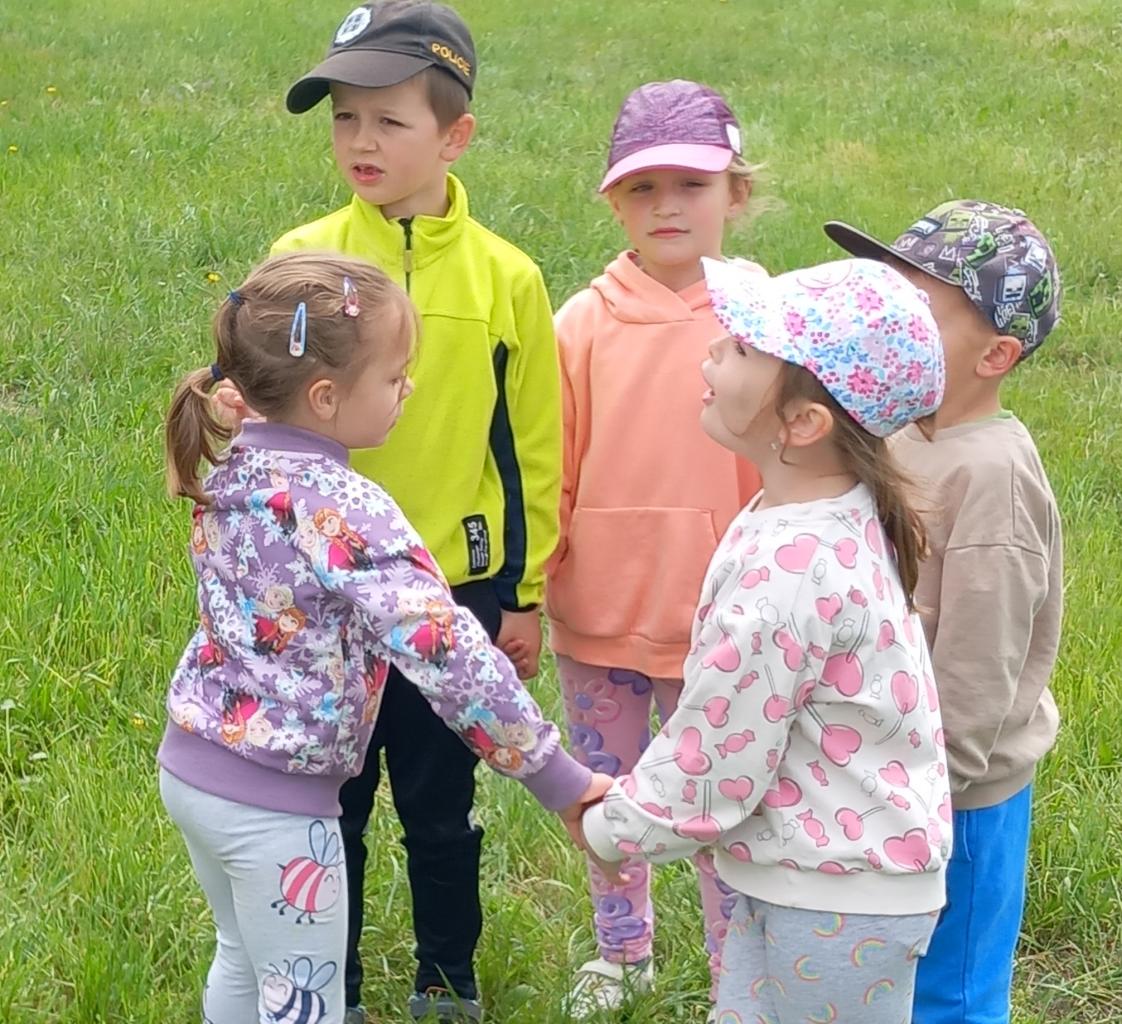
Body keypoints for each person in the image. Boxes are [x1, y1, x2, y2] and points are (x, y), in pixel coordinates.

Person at [160, 251, 609, 1024]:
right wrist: (557, 777)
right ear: (326, 397)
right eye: (395, 376)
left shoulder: (233, 461)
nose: (409, 389)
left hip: (194, 771)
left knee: (243, 957)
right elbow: (448, 653)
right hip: (277, 804)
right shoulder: (347, 510)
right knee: (304, 999)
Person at [254, 4, 565, 1019]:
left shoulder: (507, 278)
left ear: (455, 135)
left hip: (449, 597)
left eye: (389, 120)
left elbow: (530, 450)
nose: (362, 141)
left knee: (441, 814)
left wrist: (521, 594)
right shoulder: (301, 258)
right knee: (326, 816)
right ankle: (329, 987)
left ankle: (447, 981)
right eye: (345, 119)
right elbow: (261, 419)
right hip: (324, 602)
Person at [579, 257, 952, 1024]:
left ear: (803, 424)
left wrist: (611, 826)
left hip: (836, 899)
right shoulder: (811, 516)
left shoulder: (792, 569)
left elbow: (720, 754)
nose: (713, 351)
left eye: (744, 347)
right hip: (813, 879)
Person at [543, 79, 765, 1017]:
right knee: (607, 800)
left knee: (725, 810)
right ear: (614, 203)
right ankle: (622, 952)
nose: (667, 206)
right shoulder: (580, 323)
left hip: (725, 628)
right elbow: (550, 465)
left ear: (736, 194)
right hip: (597, 620)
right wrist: (531, 585)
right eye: (642, 188)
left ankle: (733, 972)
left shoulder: (764, 320)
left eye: (692, 185)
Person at [825, 200, 1064, 1024]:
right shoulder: (896, 427)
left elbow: (980, 661)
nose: (890, 319)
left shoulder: (990, 475)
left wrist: (936, 791)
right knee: (885, 981)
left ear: (995, 354)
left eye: (919, 307)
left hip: (959, 797)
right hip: (887, 774)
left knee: (948, 995)